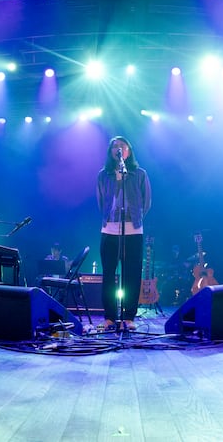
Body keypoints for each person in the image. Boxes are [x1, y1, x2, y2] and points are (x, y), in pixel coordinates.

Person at [96, 136, 152, 332]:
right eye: (115, 146)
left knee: (132, 275)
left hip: (133, 231)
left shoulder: (139, 174)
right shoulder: (104, 175)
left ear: (129, 150)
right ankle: (110, 317)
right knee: (109, 275)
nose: (118, 149)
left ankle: (128, 317)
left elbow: (147, 201)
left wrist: (135, 219)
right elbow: (100, 200)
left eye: (122, 145)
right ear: (110, 151)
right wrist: (108, 217)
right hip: (109, 230)